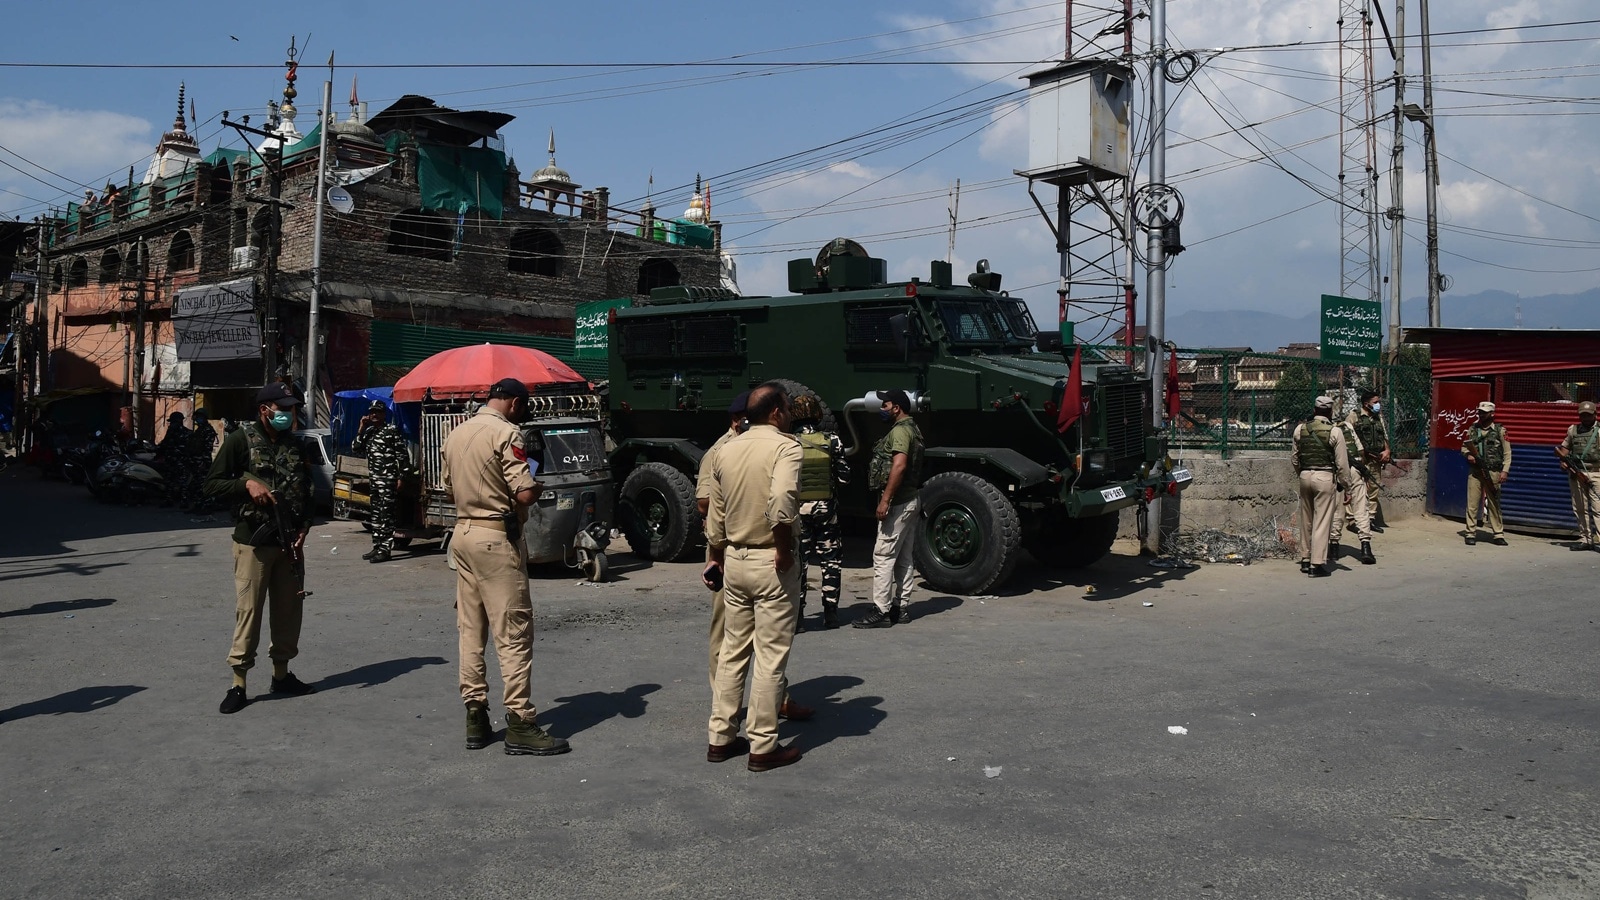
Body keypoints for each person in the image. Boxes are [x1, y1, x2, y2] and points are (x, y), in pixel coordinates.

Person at [440, 377, 570, 756]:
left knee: (470, 629)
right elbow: (525, 492)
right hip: (496, 539)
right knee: (513, 631)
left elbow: (449, 488)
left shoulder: (456, 433)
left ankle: (476, 717)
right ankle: (521, 723)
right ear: (514, 403)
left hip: (462, 534)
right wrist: (537, 484)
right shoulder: (507, 434)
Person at [703, 382, 805, 771]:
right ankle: (763, 745)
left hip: (734, 559)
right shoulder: (785, 447)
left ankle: (720, 738)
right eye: (788, 408)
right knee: (769, 656)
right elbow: (781, 502)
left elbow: (716, 513)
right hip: (769, 562)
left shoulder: (727, 449)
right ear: (777, 411)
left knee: (732, 650)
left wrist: (715, 557)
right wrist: (783, 549)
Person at [205, 383, 317, 714]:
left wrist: (304, 529)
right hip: (253, 542)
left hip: (289, 544)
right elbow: (211, 484)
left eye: (292, 408)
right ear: (264, 409)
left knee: (288, 612)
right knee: (249, 613)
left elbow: (308, 492)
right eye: (282, 408)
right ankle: (239, 683)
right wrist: (246, 483)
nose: (288, 414)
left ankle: (281, 676)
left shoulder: (296, 445)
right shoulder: (241, 440)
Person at [855, 389, 923, 628]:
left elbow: (899, 466)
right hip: (910, 500)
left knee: (883, 556)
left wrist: (885, 500)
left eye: (886, 405)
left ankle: (881, 610)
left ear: (897, 408)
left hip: (898, 504)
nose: (882, 409)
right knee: (904, 557)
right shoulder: (912, 428)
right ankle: (900, 607)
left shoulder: (901, 432)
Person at [792, 393, 845, 630]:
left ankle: (798, 617)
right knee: (830, 561)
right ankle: (831, 614)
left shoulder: (788, 443)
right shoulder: (832, 440)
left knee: (799, 562)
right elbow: (844, 478)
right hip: (826, 510)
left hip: (798, 512)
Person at [1290, 395, 1349, 578]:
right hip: (1325, 477)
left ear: (1315, 410)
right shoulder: (1335, 431)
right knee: (1322, 522)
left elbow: (1294, 458)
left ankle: (1305, 559)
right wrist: (1346, 485)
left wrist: (1302, 472)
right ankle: (1317, 564)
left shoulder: (1300, 429)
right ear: (1330, 412)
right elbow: (1342, 464)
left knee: (1306, 519)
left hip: (1305, 475)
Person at [353, 400, 413, 563]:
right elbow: (356, 448)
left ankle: (385, 550)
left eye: (377, 412)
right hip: (374, 480)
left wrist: (402, 477)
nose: (374, 415)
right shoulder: (369, 431)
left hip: (388, 480)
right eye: (372, 412)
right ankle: (377, 546)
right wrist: (361, 428)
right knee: (376, 515)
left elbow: (402, 456)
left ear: (384, 414)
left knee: (387, 516)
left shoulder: (391, 431)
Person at [1462, 400, 1511, 546]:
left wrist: (1505, 471)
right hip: (1476, 471)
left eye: (1484, 413)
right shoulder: (1472, 429)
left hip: (1494, 472)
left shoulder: (1500, 430)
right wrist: (1468, 455)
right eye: (1479, 412)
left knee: (1494, 503)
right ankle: (1470, 532)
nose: (1481, 415)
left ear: (1492, 414)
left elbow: (1508, 453)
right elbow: (1463, 448)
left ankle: (1498, 534)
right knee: (1472, 503)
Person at [1330, 414, 1377, 565]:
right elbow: (1361, 451)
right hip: (1355, 470)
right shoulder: (1347, 427)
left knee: (1337, 510)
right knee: (1361, 508)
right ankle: (1365, 547)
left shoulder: (1327, 430)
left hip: (1337, 472)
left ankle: (1334, 548)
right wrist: (1362, 471)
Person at [1556, 400, 1600, 551]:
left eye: (1588, 415)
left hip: (1596, 472)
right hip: (1577, 473)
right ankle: (1586, 539)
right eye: (1583, 415)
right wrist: (1563, 462)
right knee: (1580, 508)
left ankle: (1599, 540)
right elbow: (1565, 448)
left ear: (1595, 414)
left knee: (1597, 508)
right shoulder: (1573, 430)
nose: (1585, 418)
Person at [1346, 390, 1391, 530]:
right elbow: (1347, 436)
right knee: (1355, 489)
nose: (1378, 405)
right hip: (1360, 460)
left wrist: (1387, 451)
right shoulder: (1354, 416)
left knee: (1373, 489)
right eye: (1375, 402)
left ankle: (1370, 519)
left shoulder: (1378, 417)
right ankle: (1352, 521)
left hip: (1376, 459)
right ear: (1366, 404)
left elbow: (1384, 436)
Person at [158, 411, 193, 507]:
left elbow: (190, 448)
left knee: (179, 481)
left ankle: (181, 501)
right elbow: (164, 444)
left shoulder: (185, 433)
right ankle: (172, 500)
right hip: (174, 460)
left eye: (173, 422)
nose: (171, 424)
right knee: (172, 481)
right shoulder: (174, 432)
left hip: (179, 461)